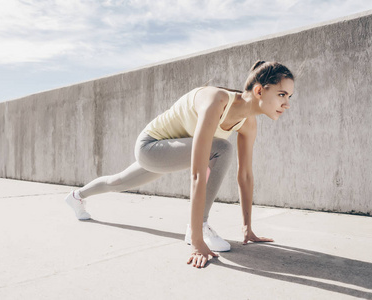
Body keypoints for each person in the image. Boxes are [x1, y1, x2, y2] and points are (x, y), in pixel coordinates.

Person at [65, 60, 295, 268]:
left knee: (118, 182)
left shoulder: (248, 123)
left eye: (289, 97)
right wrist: (196, 240)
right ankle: (199, 227)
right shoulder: (217, 101)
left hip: (173, 151)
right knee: (222, 148)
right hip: (151, 146)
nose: (286, 104)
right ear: (258, 90)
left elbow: (245, 175)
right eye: (282, 94)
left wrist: (247, 229)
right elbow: (197, 173)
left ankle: (77, 196)